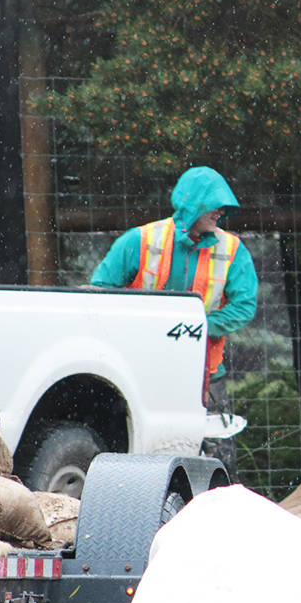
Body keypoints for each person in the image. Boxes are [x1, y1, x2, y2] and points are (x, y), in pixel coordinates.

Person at [91, 165, 258, 477]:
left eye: (224, 206)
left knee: (216, 455)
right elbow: (100, 292)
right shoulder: (140, 241)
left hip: (204, 372)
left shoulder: (232, 249)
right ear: (193, 203)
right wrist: (146, 328)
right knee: (134, 444)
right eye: (215, 203)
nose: (221, 212)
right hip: (140, 367)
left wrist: (195, 328)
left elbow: (244, 306)